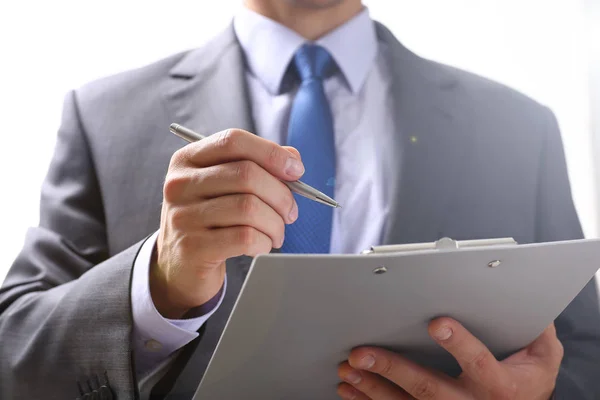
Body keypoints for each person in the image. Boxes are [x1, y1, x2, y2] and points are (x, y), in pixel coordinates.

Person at [1, 0, 599, 399]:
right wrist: (158, 285)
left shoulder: (519, 129)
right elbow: (13, 352)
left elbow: (586, 356)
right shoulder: (105, 117)